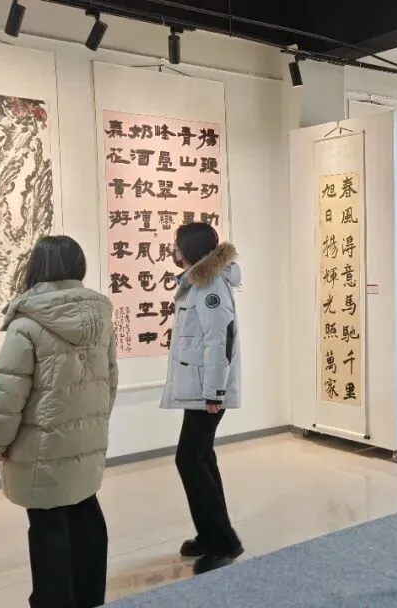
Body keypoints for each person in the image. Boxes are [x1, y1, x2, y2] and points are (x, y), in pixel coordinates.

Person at [0, 235, 118, 608]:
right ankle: (90, 598)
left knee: (48, 525)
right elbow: (110, 381)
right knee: (86, 515)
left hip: (41, 445)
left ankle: (53, 601)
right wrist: (95, 424)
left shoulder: (27, 324)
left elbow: (8, 393)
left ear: (36, 268)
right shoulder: (101, 316)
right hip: (86, 438)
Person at [162, 222, 244, 574]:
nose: (174, 251)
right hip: (199, 386)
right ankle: (213, 535)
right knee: (200, 457)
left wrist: (214, 391)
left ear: (190, 249)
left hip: (206, 391)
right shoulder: (198, 281)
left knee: (190, 459)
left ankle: (222, 542)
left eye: (177, 245)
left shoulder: (209, 284)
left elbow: (218, 339)